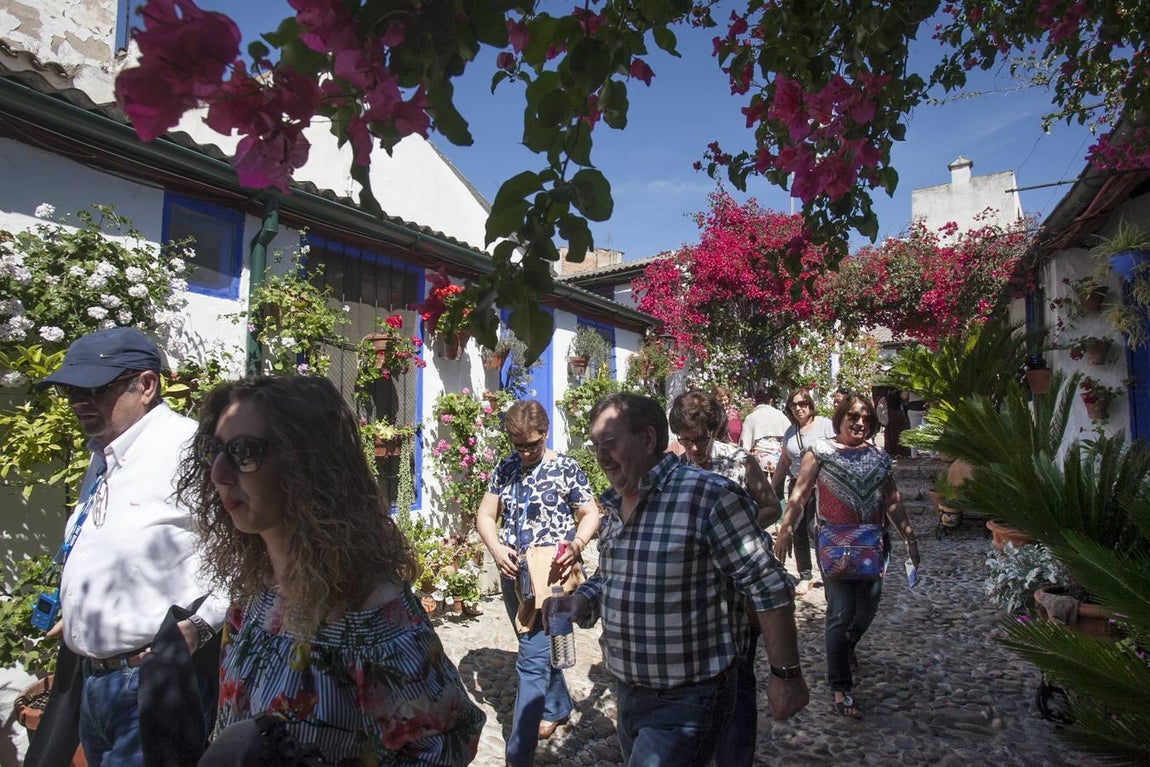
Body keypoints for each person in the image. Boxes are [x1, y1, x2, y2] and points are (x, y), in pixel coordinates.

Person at [178, 376, 485, 765]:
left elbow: (443, 750)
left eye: (243, 452)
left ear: (307, 466)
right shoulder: (253, 595)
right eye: (214, 450)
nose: (218, 473)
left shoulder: (375, 621)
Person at [547, 393, 809, 765]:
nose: (601, 456)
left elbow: (769, 585)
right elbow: (612, 576)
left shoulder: (709, 496)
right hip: (629, 691)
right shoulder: (616, 504)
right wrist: (582, 599)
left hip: (690, 697)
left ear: (649, 439)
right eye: (596, 446)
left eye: (610, 443)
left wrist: (786, 674)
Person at [28, 326, 227, 767]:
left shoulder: (189, 449)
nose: (80, 402)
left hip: (148, 681)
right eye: (70, 391)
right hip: (92, 682)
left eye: (93, 390)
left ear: (146, 385)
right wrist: (78, 607)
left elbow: (242, 551)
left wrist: (200, 626)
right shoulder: (106, 450)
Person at [772, 393, 921, 719]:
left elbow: (892, 501)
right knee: (840, 612)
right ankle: (841, 687)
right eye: (853, 416)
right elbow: (798, 497)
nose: (860, 422)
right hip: (835, 545)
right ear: (839, 418)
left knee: (867, 609)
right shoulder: (821, 452)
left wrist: (909, 536)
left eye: (866, 418)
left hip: (873, 545)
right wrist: (784, 528)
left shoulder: (880, 457)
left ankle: (845, 648)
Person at [475, 400, 601, 767]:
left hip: (552, 581)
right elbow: (485, 513)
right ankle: (558, 705)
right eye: (520, 446)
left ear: (545, 433)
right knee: (538, 646)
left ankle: (518, 753)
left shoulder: (565, 468)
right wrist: (496, 548)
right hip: (515, 577)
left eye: (533, 444)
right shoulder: (506, 468)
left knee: (532, 660)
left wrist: (577, 544)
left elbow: (590, 511)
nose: (527, 452)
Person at [668, 390, 781, 767]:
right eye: (686, 440)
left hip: (736, 591)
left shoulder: (737, 462)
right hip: (695, 592)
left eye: (699, 438)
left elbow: (771, 506)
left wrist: (734, 532)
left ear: (713, 429)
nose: (694, 447)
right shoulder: (676, 469)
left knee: (739, 678)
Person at [770, 388, 836, 597]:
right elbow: (785, 460)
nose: (799, 408)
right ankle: (805, 575)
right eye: (794, 405)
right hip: (797, 484)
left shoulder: (825, 425)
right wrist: (773, 485)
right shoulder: (791, 432)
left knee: (815, 529)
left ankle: (830, 570)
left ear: (810, 404)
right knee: (796, 530)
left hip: (821, 485)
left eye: (802, 403)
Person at [740, 385, 791, 475]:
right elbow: (789, 438)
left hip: (758, 461)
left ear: (755, 401)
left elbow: (745, 445)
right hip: (779, 460)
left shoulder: (751, 418)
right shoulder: (781, 416)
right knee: (777, 489)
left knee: (758, 488)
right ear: (771, 401)